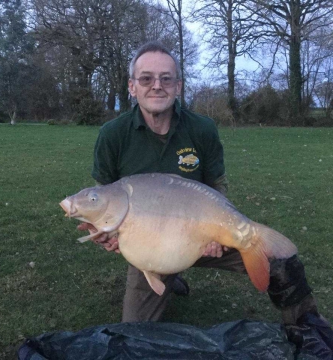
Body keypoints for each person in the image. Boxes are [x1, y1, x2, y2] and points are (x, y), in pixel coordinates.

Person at [80, 41, 333, 356]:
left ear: (179, 86)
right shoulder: (112, 135)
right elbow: (103, 201)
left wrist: (219, 232)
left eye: (166, 78)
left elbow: (217, 185)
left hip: (204, 232)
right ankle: (169, 277)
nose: (156, 85)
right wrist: (106, 234)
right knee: (135, 336)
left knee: (281, 261)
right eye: (146, 79)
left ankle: (307, 326)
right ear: (132, 87)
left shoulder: (201, 129)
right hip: (148, 245)